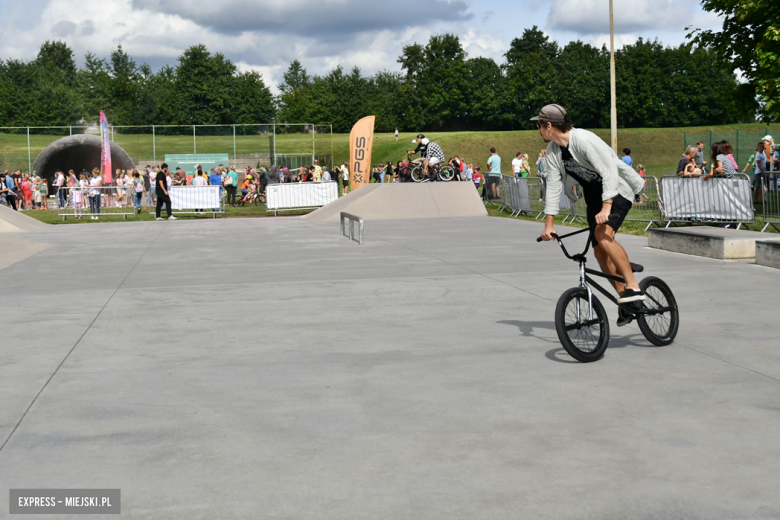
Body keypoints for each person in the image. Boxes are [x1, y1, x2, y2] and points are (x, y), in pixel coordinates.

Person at [534, 103, 646, 327]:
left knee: (603, 235)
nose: (538, 130)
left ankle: (633, 285)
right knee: (599, 252)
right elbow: (554, 186)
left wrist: (606, 208)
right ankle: (627, 301)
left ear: (548, 125)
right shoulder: (554, 152)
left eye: (539, 125)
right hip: (594, 197)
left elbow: (609, 172)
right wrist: (549, 225)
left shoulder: (583, 140)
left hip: (617, 191)